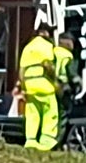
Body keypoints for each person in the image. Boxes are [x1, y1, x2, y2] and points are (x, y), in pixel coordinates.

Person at [18, 21, 60, 151]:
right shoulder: (47, 46)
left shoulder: (28, 47)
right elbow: (48, 65)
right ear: (45, 32)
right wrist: (55, 80)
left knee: (32, 114)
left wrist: (24, 88)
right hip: (44, 84)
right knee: (50, 112)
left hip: (30, 85)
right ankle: (46, 140)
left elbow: (21, 71)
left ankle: (31, 141)